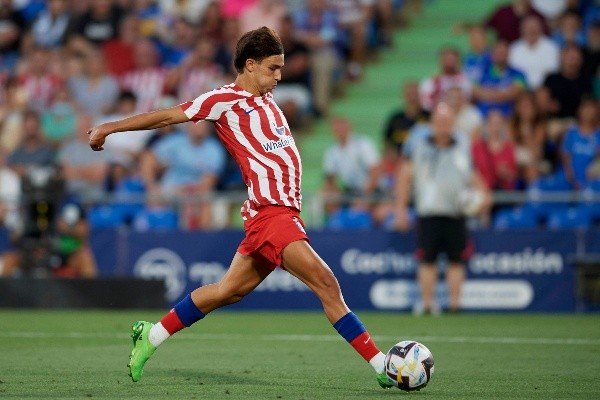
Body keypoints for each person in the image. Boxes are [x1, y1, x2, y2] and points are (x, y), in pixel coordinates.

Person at [88, 26, 393, 389]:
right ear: (249, 65)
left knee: (226, 291)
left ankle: (151, 335)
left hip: (282, 213)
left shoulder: (267, 100)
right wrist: (109, 127)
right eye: (272, 68)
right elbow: (169, 116)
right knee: (327, 283)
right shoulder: (222, 100)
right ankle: (382, 366)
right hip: (270, 213)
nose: (279, 76)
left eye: (280, 69)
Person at [393, 103, 490, 314]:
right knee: (427, 261)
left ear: (453, 123)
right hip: (428, 213)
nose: (443, 125)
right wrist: (400, 211)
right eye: (439, 121)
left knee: (457, 261)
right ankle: (428, 305)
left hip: (456, 213)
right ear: (432, 123)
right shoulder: (418, 146)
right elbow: (404, 177)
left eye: (447, 121)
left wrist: (484, 196)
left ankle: (455, 305)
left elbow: (473, 176)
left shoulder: (462, 146)